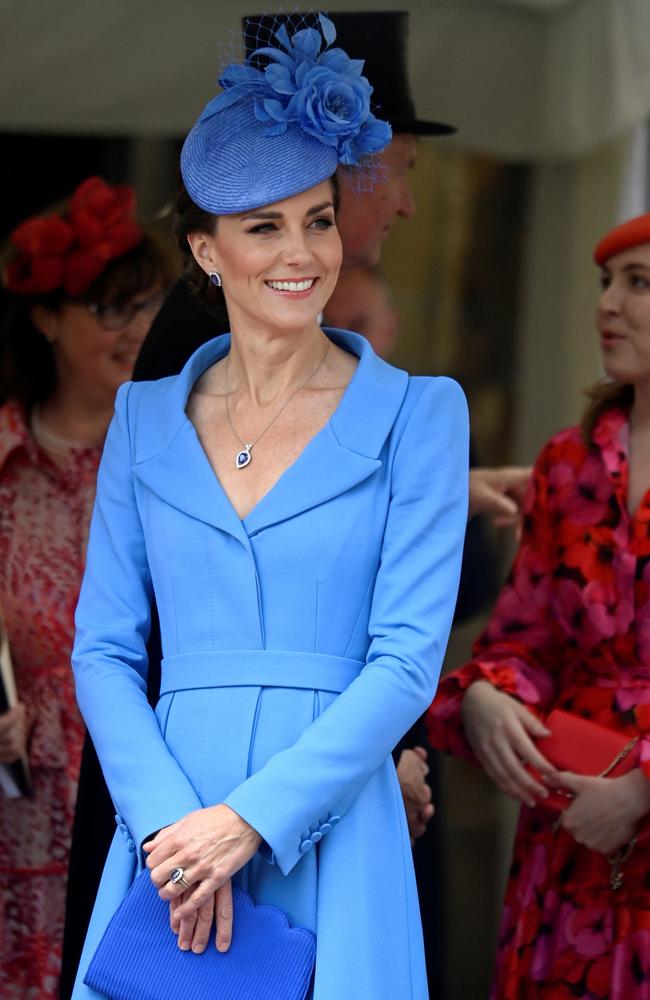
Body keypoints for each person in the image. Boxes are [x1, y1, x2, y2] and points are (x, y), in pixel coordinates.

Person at [69, 16, 469, 1000]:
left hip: (329, 819)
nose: (302, 253)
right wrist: (171, 825)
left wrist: (250, 819)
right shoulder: (141, 416)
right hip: (167, 828)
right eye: (263, 226)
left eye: (318, 218)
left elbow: (406, 656)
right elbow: (105, 648)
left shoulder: (420, 413)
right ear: (206, 252)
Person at [426, 211, 650, 998]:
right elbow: (524, 638)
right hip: (567, 845)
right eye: (605, 283)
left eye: (639, 283)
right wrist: (488, 693)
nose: (607, 305)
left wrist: (640, 791)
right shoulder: (568, 461)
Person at [0, 176, 168, 999]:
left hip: (148, 804)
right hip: (18, 814)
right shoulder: (2, 462)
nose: (137, 331)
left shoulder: (184, 458)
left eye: (147, 308)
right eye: (111, 310)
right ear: (45, 318)